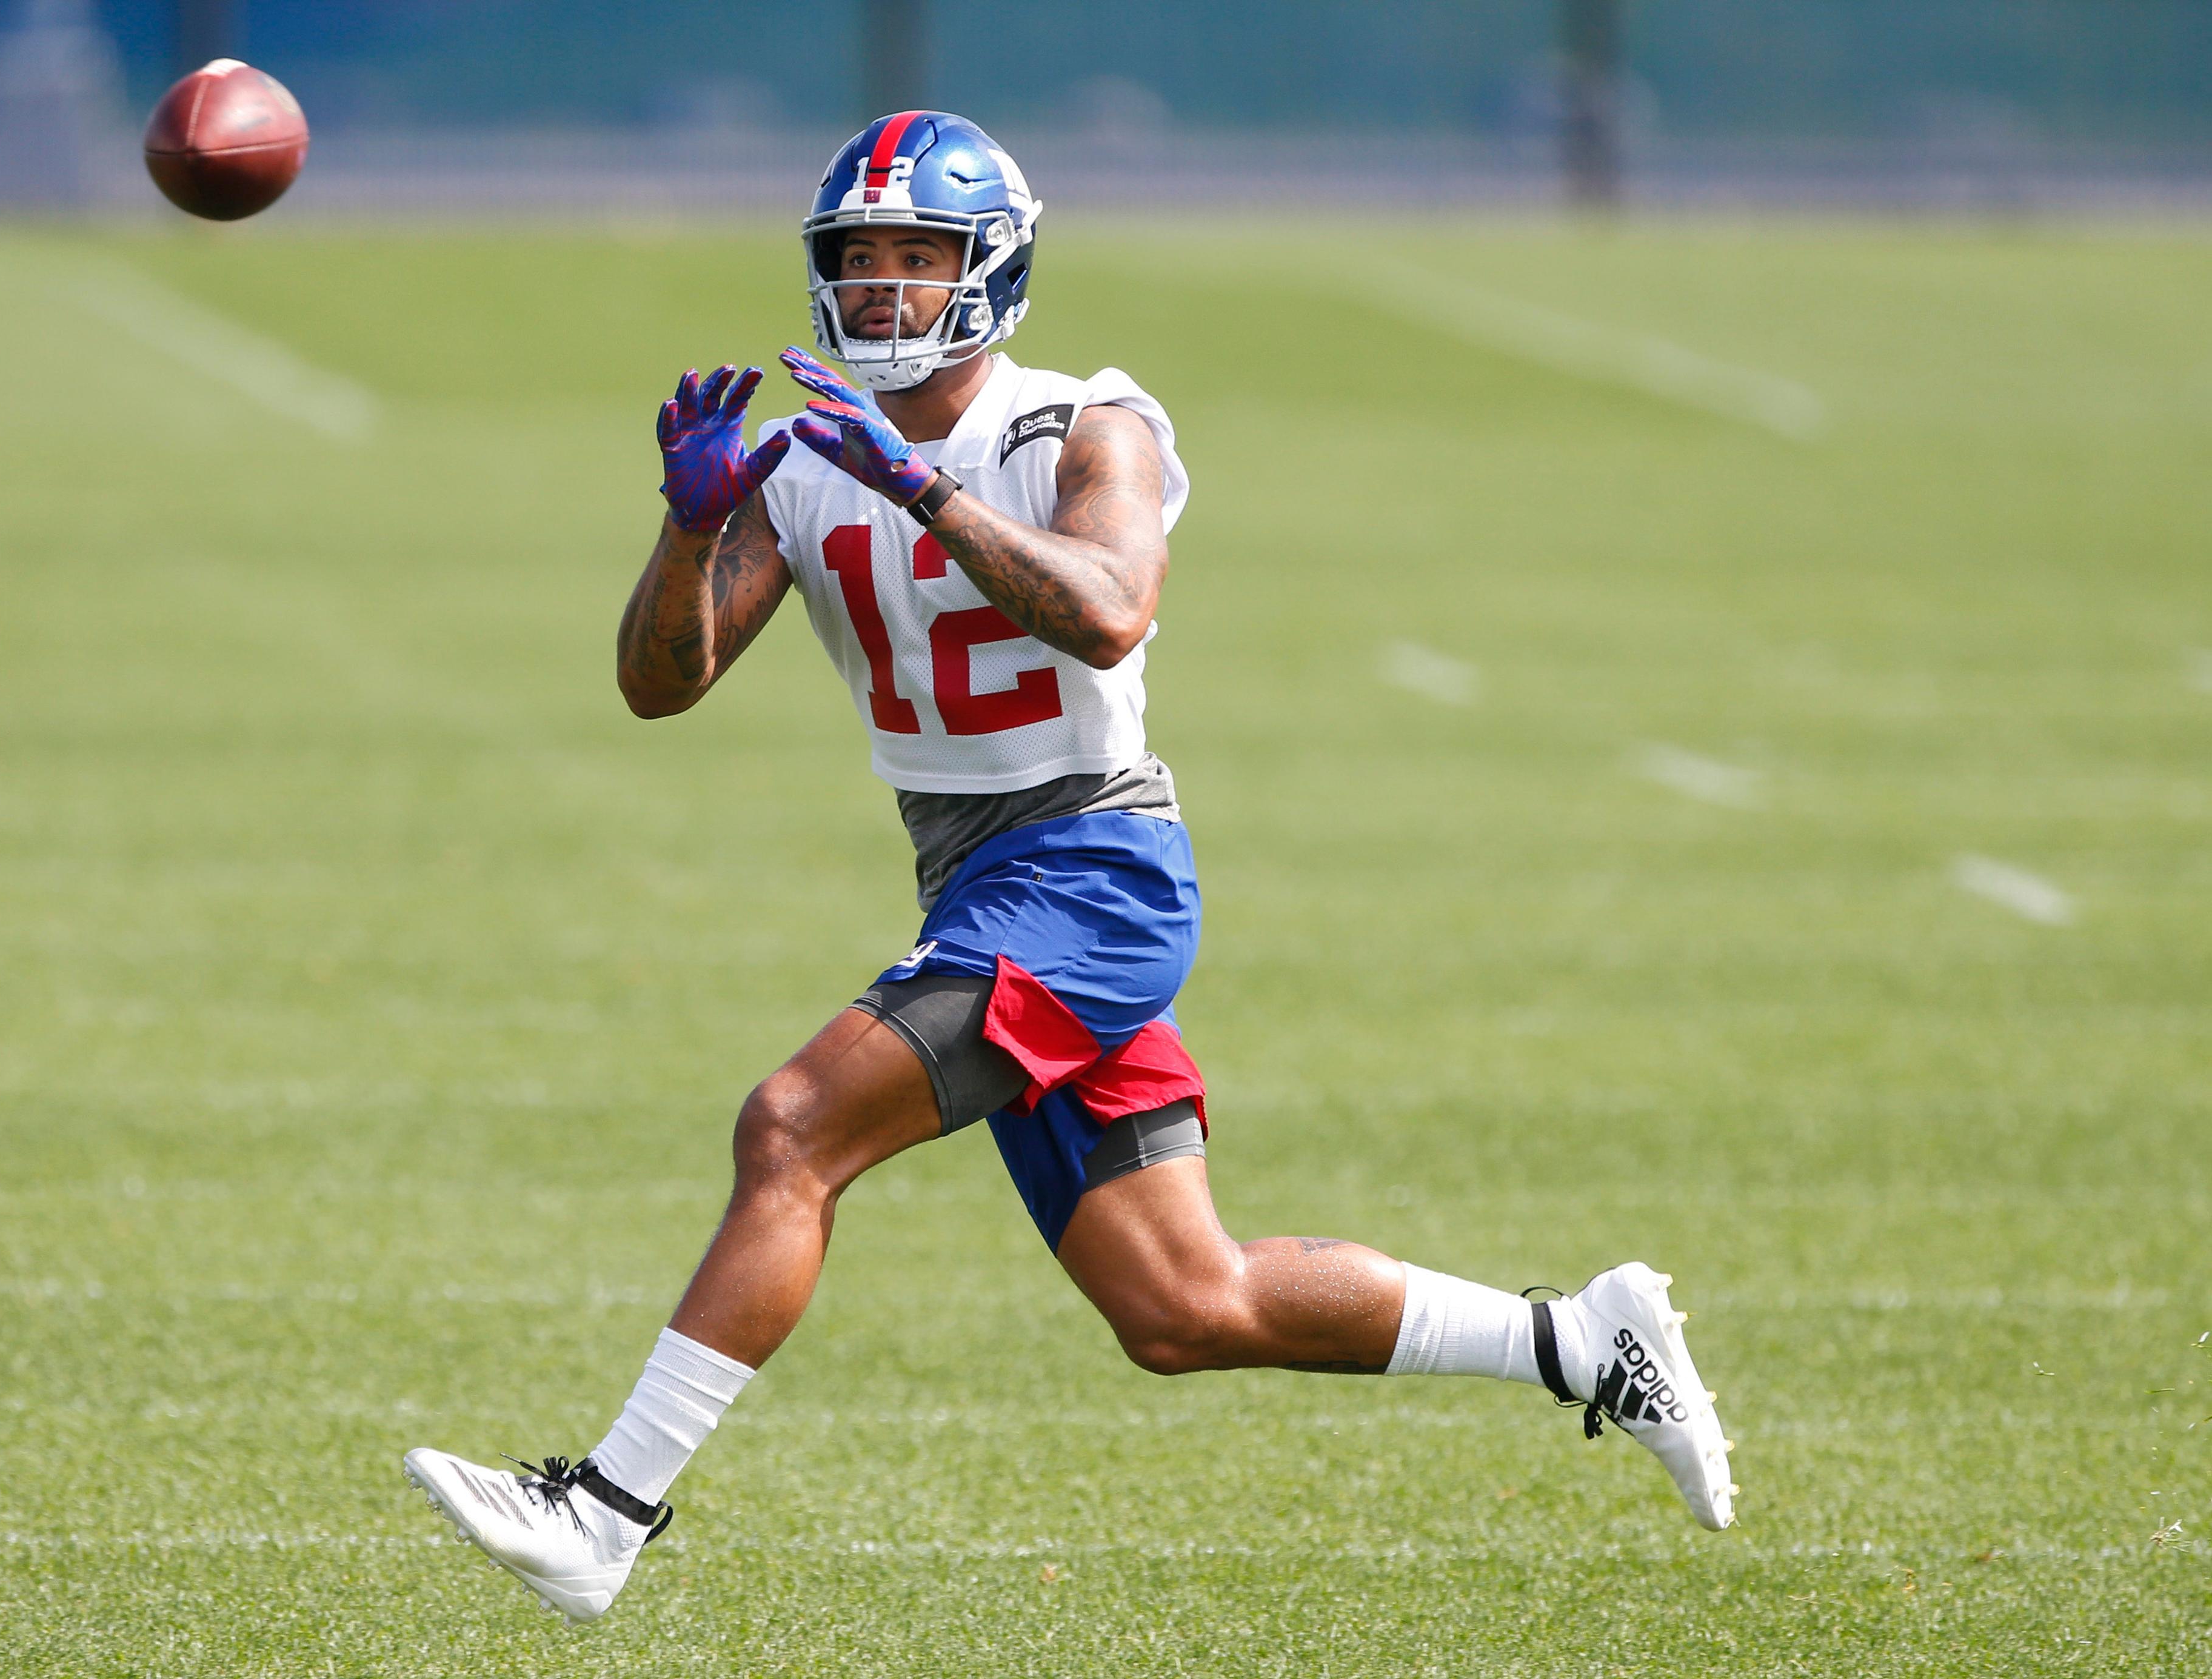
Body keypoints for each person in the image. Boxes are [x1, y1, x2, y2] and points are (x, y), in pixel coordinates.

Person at [404, 110, 1736, 1623]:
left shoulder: (1084, 422)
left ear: (993, 268)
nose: (888, 288)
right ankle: (1582, 1340)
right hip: (972, 880)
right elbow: (662, 681)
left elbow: (1106, 608)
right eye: (861, 258)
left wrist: (919, 488)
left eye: (920, 256)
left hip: (1092, 867)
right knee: (1183, 1303)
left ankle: (606, 1509)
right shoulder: (807, 458)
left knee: (793, 1127)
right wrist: (690, 520)